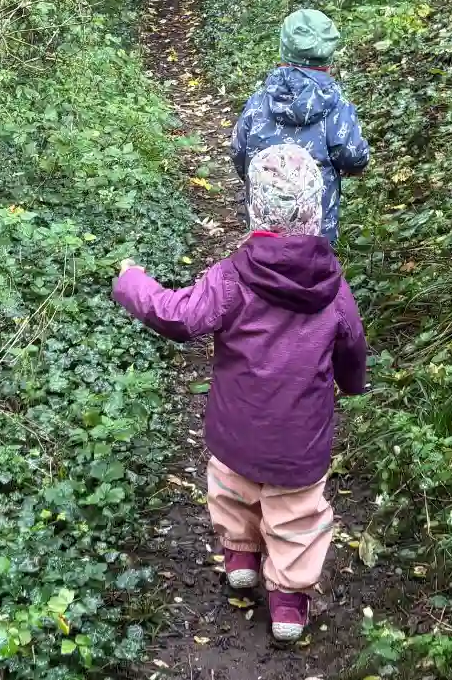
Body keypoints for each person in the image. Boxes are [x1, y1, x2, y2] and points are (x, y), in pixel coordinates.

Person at [112, 144, 367, 643]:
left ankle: (241, 558)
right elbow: (352, 344)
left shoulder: (232, 277)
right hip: (300, 444)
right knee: (296, 518)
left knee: (233, 491)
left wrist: (132, 281)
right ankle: (289, 604)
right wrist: (352, 384)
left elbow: (178, 315)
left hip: (235, 430)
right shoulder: (333, 289)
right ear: (316, 209)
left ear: (255, 209)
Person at [231, 8, 369, 245]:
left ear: (284, 51)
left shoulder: (260, 100)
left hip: (264, 223)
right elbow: (353, 157)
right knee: (313, 276)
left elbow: (238, 150)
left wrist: (257, 183)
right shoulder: (337, 107)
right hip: (316, 227)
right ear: (328, 57)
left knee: (262, 272)